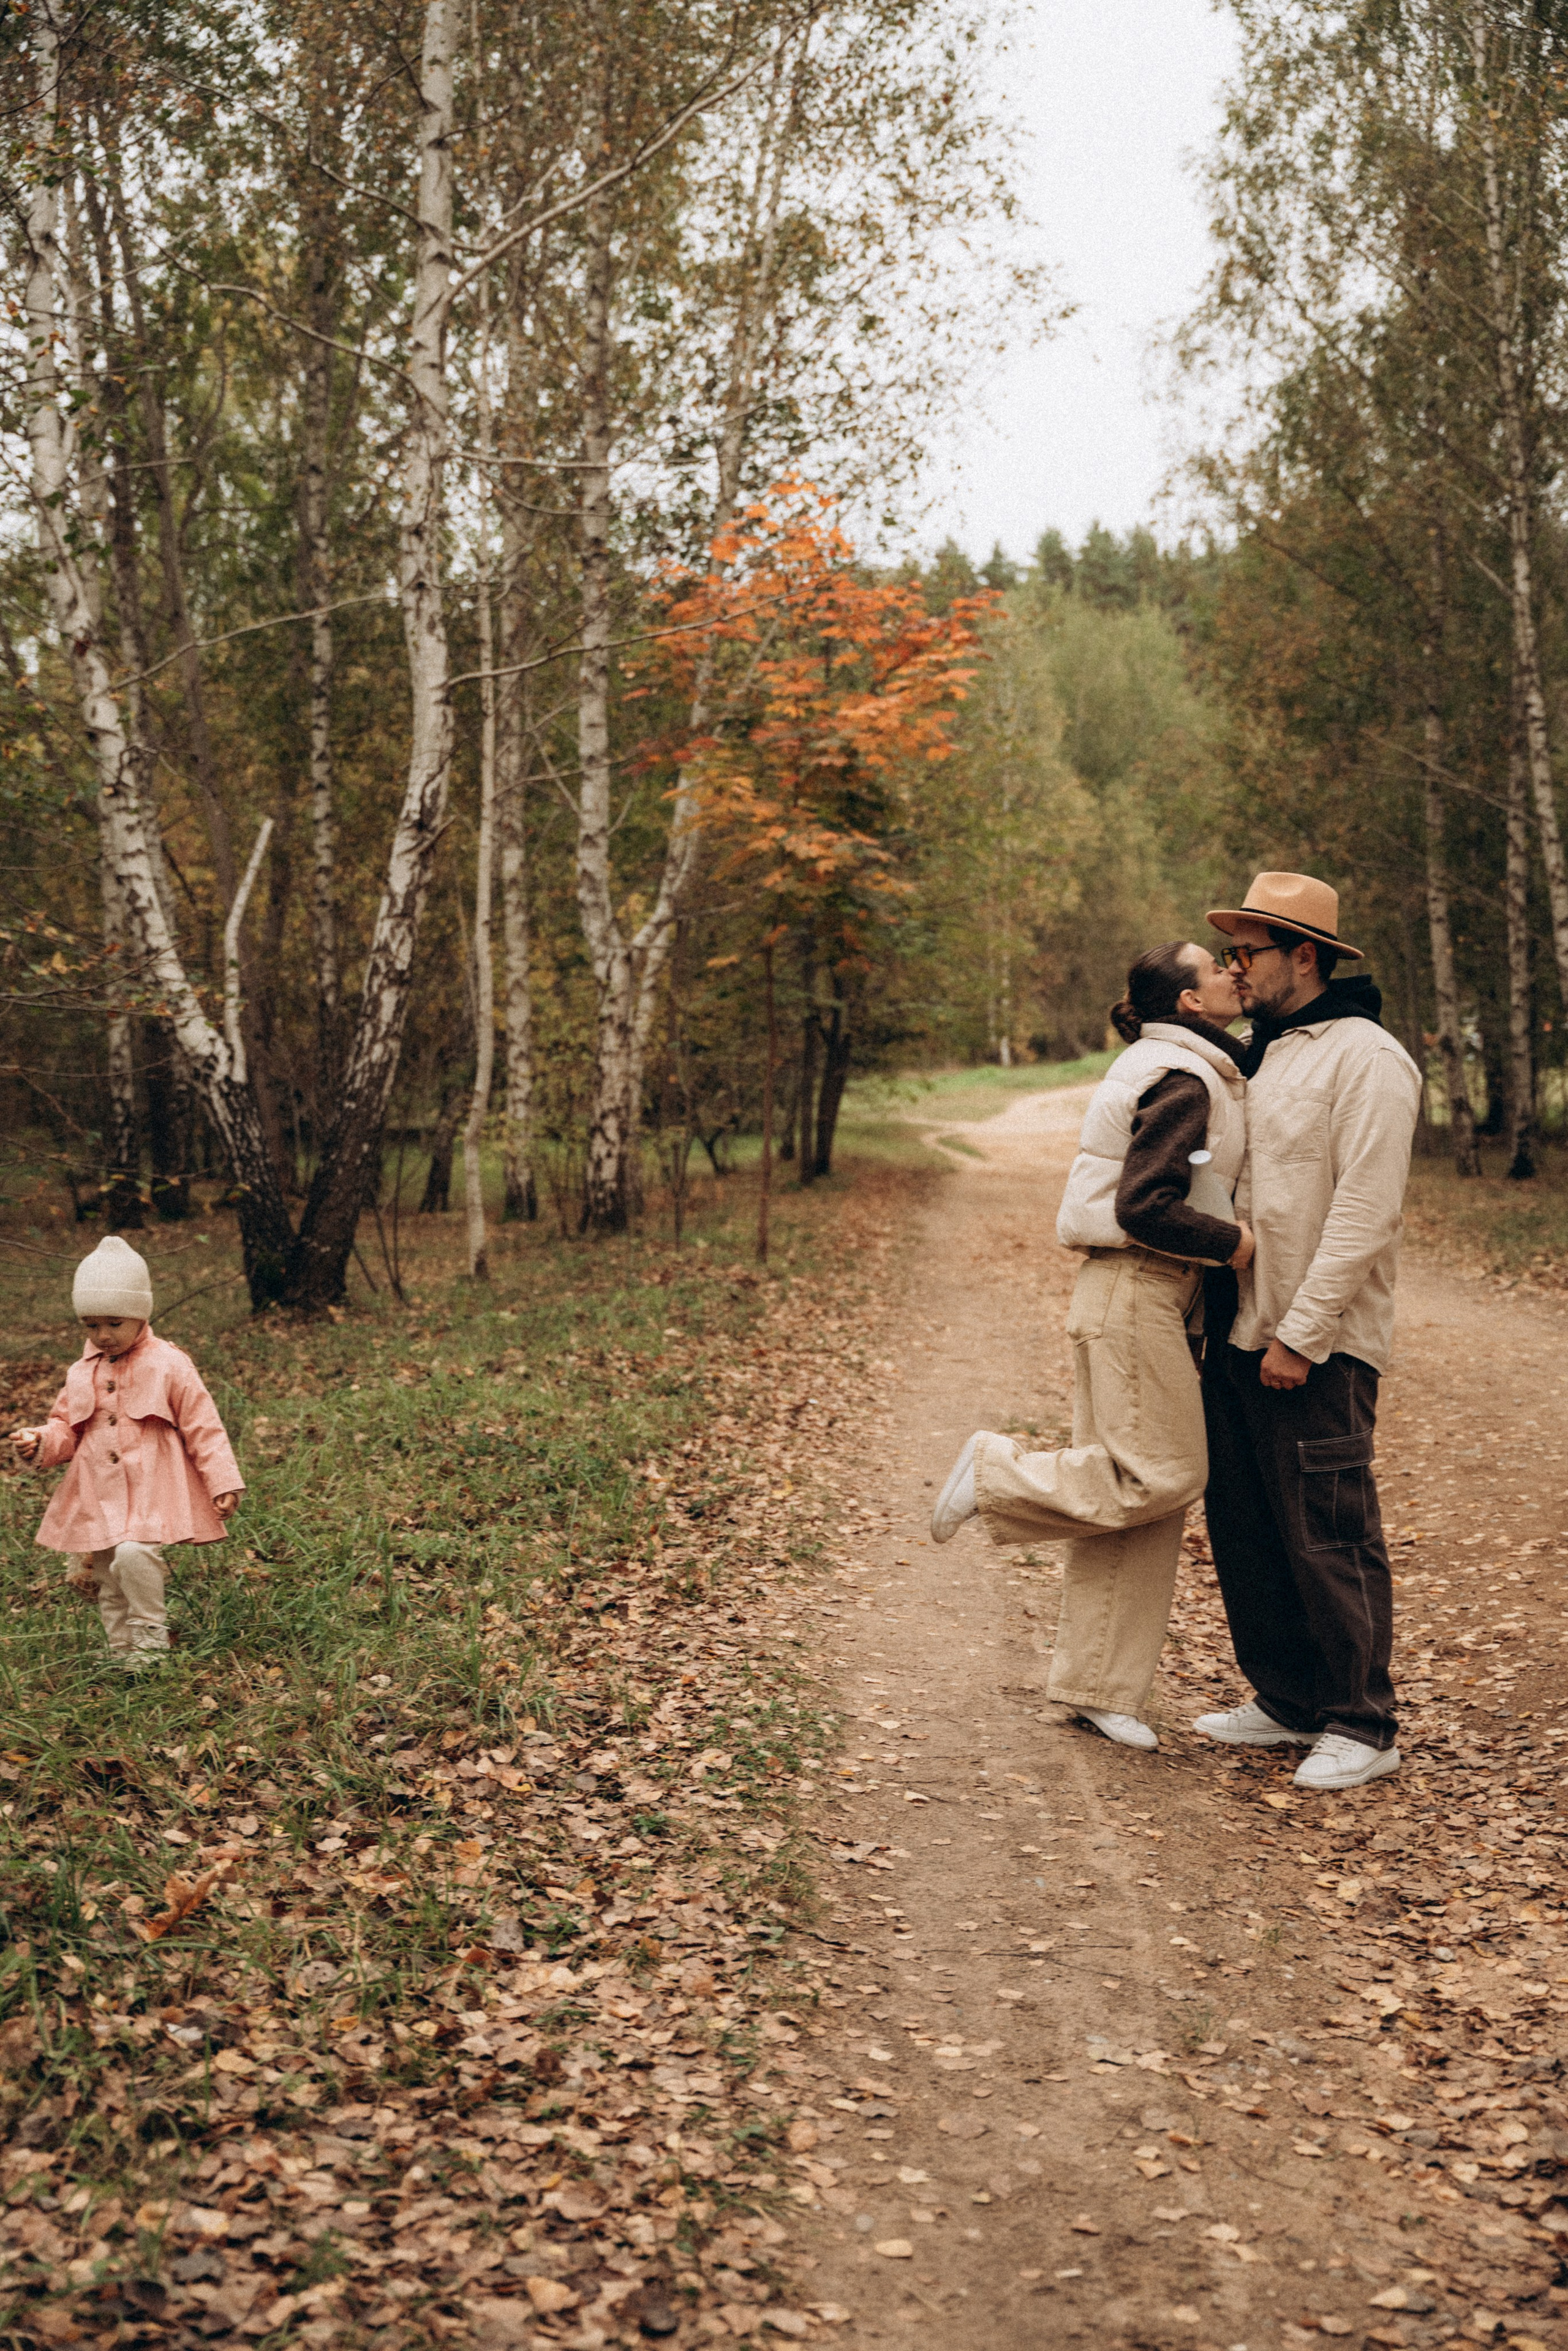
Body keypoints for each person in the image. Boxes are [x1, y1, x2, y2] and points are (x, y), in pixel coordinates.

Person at [929, 940, 1253, 1751]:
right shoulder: (1182, 1075)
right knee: (1166, 1471)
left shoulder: (1192, 1062)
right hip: (1136, 1283)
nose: (1233, 973)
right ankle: (997, 1471)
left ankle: (1100, 1687)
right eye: (1216, 967)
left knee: (1137, 1494)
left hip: (1142, 1293)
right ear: (1186, 1001)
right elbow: (1146, 1204)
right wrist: (1237, 1245)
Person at [1195, 872, 1421, 1793]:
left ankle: (1363, 1721)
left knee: (1330, 1528)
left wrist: (1304, 1332)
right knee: (1248, 1525)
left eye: (1247, 953)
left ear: (1306, 955)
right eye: (1231, 953)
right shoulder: (1264, 1049)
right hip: (1239, 1331)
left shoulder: (1366, 1058)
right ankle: (1290, 1699)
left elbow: (1366, 1210)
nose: (1234, 968)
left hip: (1312, 1342)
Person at [9, 1234, 243, 1672]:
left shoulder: (168, 1363)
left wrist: (223, 1480)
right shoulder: (82, 1372)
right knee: (108, 1572)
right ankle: (120, 1651)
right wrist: (40, 1440)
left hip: (153, 1483)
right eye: (91, 1325)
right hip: (97, 1487)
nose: (103, 1335)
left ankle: (151, 1641)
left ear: (140, 1315)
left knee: (136, 1553)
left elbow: (202, 1423)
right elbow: (67, 1427)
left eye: (114, 1323)